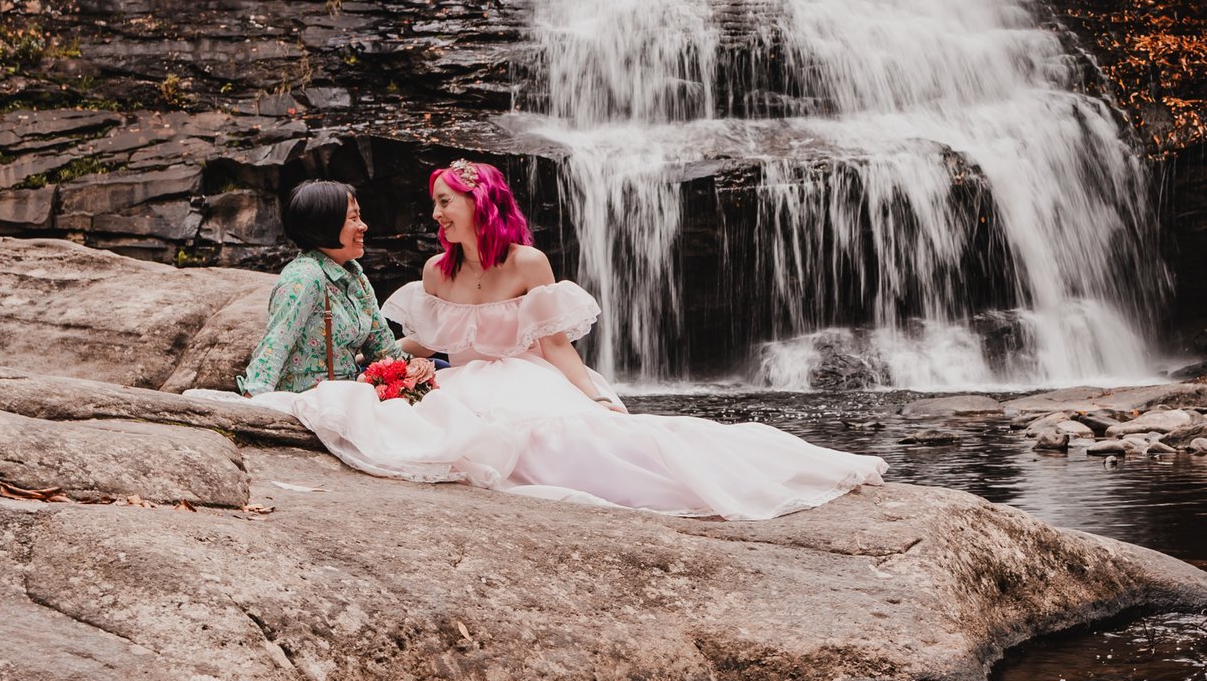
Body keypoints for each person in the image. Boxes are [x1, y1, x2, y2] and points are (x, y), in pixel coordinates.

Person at [233, 160, 887, 520]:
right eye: (434, 205)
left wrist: (594, 393)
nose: (433, 216)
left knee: (586, 442)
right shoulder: (434, 272)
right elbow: (416, 347)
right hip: (460, 382)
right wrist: (380, 379)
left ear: (477, 206)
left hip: (525, 377)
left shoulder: (529, 264)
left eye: (443, 204)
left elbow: (555, 347)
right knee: (462, 441)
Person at [235, 180, 397, 395]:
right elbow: (275, 345)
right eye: (353, 218)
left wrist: (415, 376)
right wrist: (253, 404)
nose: (363, 225)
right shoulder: (305, 276)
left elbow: (383, 351)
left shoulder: (357, 279)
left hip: (346, 397)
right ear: (326, 224)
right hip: (308, 402)